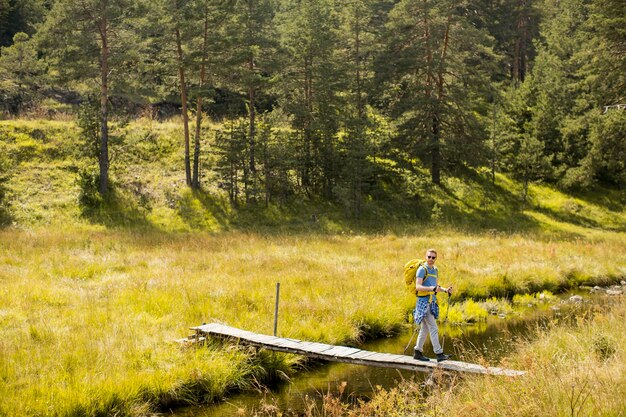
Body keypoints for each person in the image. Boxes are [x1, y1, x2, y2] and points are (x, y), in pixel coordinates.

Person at [413, 248, 453, 362]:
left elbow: (436, 287)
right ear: (425, 257)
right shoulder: (422, 269)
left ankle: (417, 352)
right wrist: (431, 288)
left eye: (433, 257)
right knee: (434, 328)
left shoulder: (435, 270)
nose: (431, 259)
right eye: (429, 257)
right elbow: (418, 287)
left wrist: (445, 290)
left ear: (436, 258)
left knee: (425, 329)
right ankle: (439, 354)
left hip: (432, 302)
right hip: (423, 303)